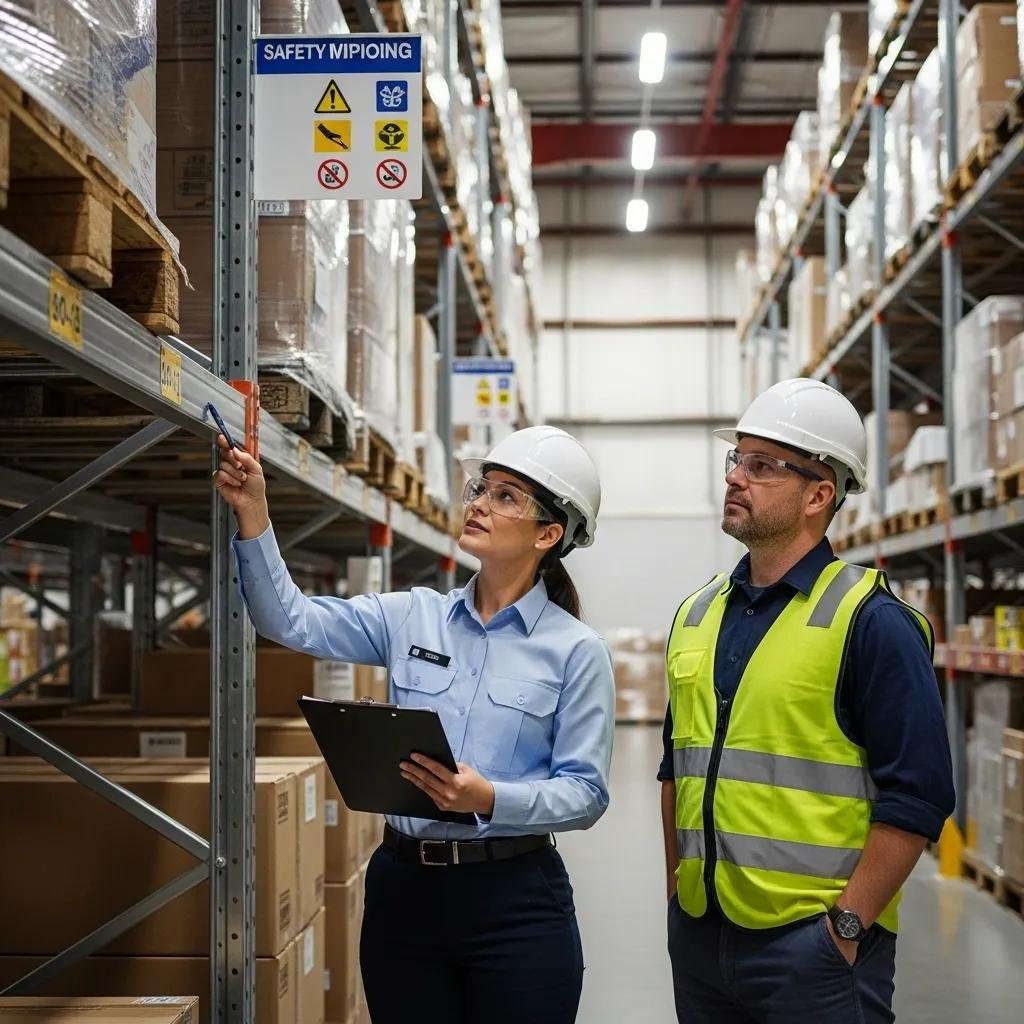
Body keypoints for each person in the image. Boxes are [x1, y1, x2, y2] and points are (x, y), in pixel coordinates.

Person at [214, 424, 614, 1024]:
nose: (478, 503)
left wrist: (488, 797)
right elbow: (289, 621)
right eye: (482, 488)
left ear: (548, 534)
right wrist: (254, 514)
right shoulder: (411, 616)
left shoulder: (577, 651)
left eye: (506, 496)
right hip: (404, 893)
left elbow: (585, 794)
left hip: (515, 901)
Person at [659, 378, 955, 1023]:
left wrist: (846, 928)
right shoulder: (695, 614)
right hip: (702, 939)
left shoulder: (872, 622)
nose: (735, 477)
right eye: (737, 458)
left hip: (813, 949)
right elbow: (674, 769)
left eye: (763, 465)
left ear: (819, 495)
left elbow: (919, 795)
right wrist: (677, 897)